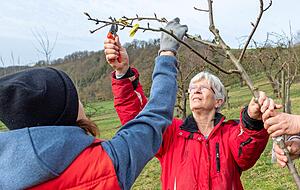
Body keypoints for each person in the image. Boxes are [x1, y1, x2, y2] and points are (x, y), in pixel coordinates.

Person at [0, 18, 188, 190]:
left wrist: (124, 71)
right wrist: (167, 54)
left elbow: (152, 115)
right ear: (66, 113)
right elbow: (154, 116)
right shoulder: (102, 166)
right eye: (76, 98)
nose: (81, 102)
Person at [104, 33, 276, 189]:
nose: (196, 90)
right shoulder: (172, 132)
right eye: (193, 87)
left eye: (204, 87)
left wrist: (252, 118)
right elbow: (137, 118)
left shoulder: (229, 134)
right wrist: (123, 73)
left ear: (219, 100)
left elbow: (245, 155)